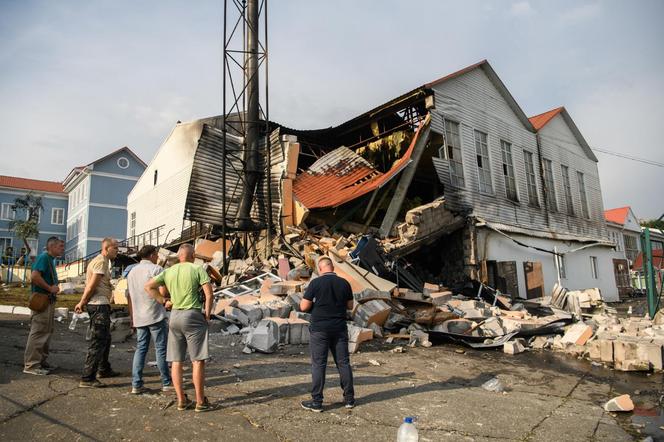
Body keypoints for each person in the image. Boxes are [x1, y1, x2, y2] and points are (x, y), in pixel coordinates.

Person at [145, 244, 213, 412]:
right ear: (193, 255)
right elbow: (209, 294)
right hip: (193, 315)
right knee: (197, 360)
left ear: (179, 256)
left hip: (174, 316)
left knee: (176, 360)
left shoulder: (169, 271)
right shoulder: (198, 269)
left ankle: (182, 400)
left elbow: (148, 286)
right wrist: (207, 315)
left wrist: (163, 301)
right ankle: (200, 402)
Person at [299, 256, 355, 412]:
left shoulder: (315, 283)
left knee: (319, 364)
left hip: (320, 329)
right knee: (343, 363)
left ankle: (317, 402)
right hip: (339, 327)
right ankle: (349, 399)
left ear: (320, 268)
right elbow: (350, 306)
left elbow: (303, 307)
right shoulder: (344, 283)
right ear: (332, 268)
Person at [126, 245, 173, 394]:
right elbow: (163, 291)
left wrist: (132, 316)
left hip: (139, 315)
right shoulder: (156, 269)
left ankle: (136, 384)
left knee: (141, 349)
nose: (158, 257)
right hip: (155, 314)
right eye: (157, 255)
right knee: (160, 349)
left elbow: (129, 296)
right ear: (152, 255)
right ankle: (166, 382)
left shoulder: (132, 272)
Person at [74, 237, 120, 387]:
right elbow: (91, 285)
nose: (117, 252)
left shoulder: (104, 261)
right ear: (107, 248)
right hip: (98, 304)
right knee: (98, 340)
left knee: (105, 338)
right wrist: (82, 301)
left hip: (101, 303)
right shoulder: (101, 261)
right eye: (115, 248)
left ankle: (103, 368)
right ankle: (87, 378)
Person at [23, 237, 64, 375]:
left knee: (46, 331)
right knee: (39, 331)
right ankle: (31, 365)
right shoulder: (43, 258)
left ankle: (41, 362)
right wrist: (49, 288)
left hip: (48, 301)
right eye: (60, 246)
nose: (62, 249)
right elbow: (34, 277)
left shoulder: (49, 260)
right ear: (51, 247)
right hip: (41, 300)